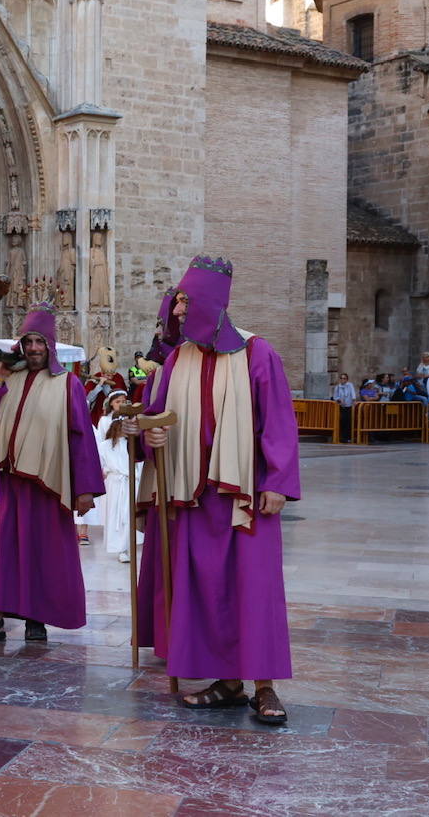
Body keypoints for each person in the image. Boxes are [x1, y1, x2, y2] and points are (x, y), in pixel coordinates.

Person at [127, 256, 300, 725]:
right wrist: (150, 437)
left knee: (254, 591)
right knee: (205, 593)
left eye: (185, 299)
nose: (177, 309)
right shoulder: (177, 358)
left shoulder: (256, 353)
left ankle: (265, 688)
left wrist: (278, 483)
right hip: (191, 498)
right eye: (178, 300)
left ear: (209, 302)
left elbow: (278, 424)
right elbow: (153, 419)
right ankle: (226, 682)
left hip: (242, 495)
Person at [0, 300, 104, 643]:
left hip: (46, 486)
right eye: (29, 342)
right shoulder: (9, 378)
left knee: (39, 553)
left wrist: (84, 488)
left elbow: (80, 436)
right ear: (21, 345)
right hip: (7, 482)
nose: (35, 348)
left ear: (50, 345)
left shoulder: (67, 384)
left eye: (41, 342)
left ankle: (36, 618)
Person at [96, 389, 138, 562]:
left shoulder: (132, 445)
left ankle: (128, 546)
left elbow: (139, 463)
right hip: (115, 483)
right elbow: (102, 464)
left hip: (130, 482)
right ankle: (119, 547)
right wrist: (104, 472)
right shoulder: (105, 446)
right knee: (116, 516)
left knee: (129, 515)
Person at [331, 372, 356, 443]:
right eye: (341, 378)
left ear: (347, 379)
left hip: (349, 406)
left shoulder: (350, 385)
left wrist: (354, 400)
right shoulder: (338, 387)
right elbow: (335, 396)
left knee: (348, 422)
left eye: (344, 378)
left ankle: (347, 437)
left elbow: (353, 393)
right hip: (341, 407)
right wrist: (339, 400)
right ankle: (341, 437)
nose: (343, 380)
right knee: (342, 421)